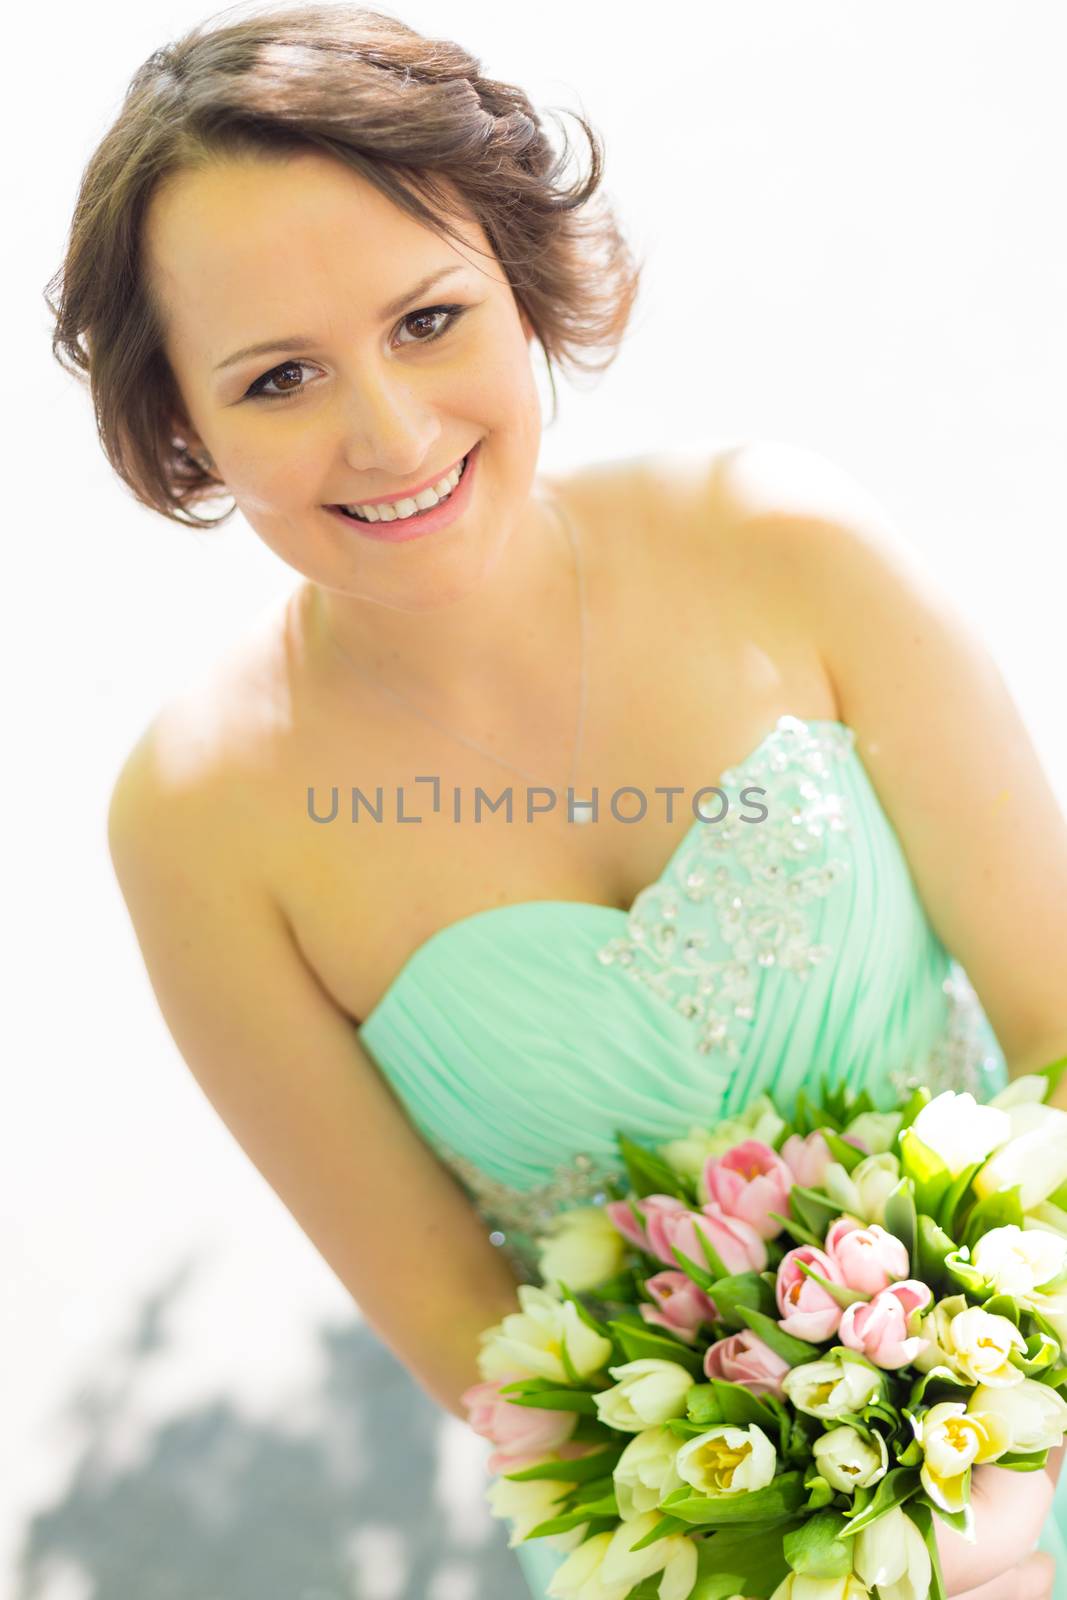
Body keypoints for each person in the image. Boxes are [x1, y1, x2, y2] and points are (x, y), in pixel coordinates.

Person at [48, 5, 1067, 1596]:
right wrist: (803, 1542)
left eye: (430, 321)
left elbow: (1060, 1020)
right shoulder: (197, 821)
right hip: (704, 1535)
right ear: (182, 423)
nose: (388, 434)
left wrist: (999, 1440)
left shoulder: (790, 548)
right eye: (278, 377)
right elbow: (466, 1328)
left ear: (520, 279)